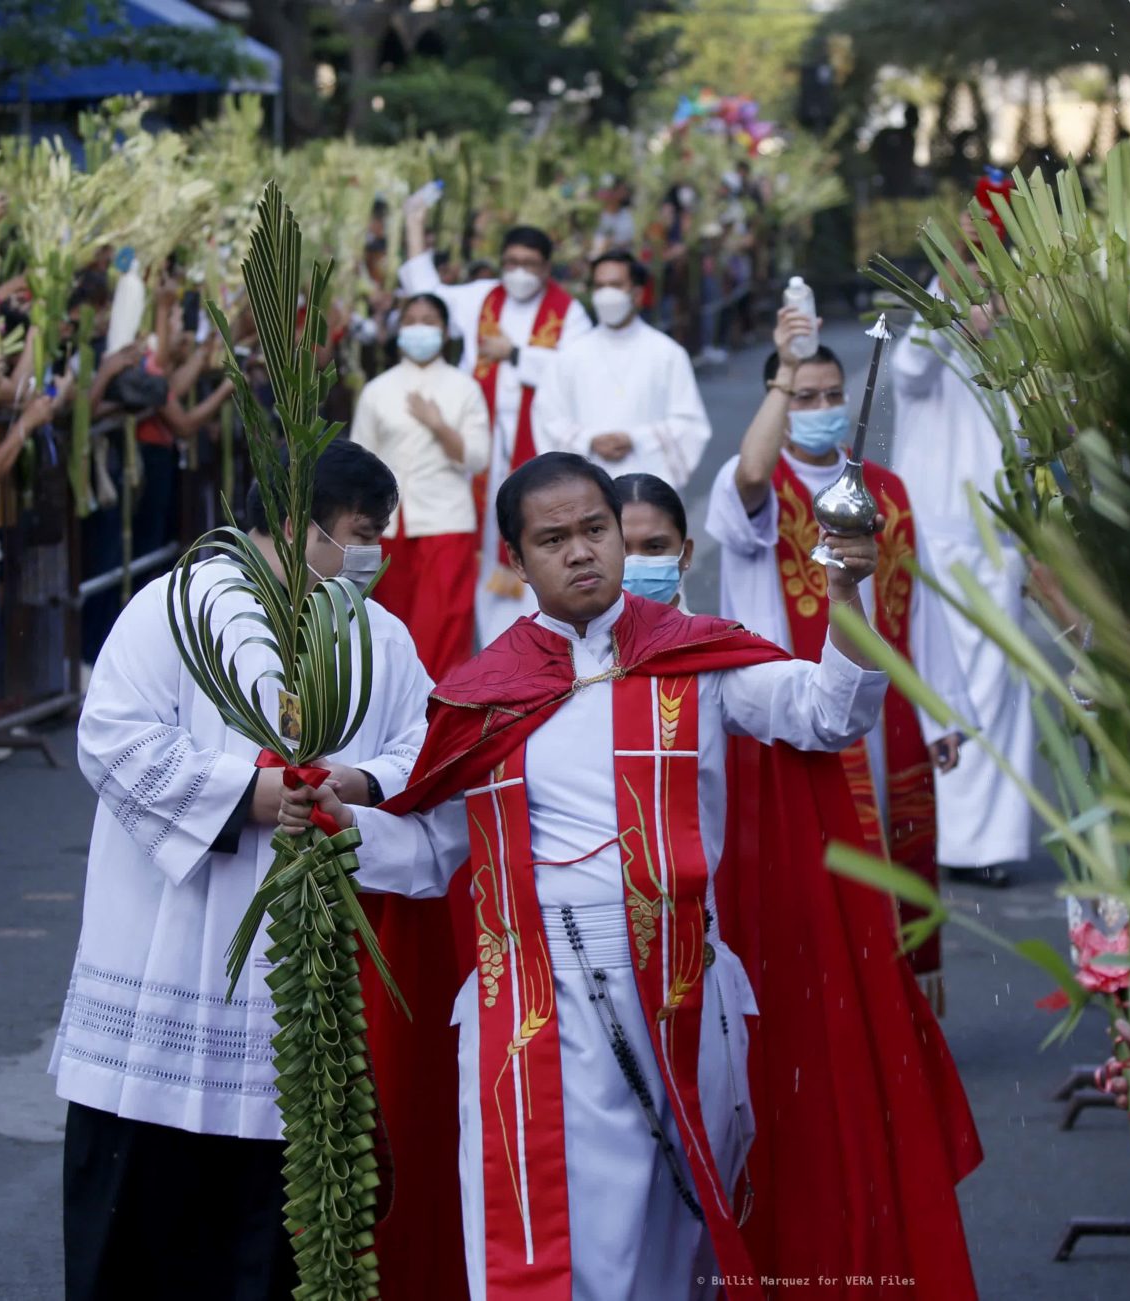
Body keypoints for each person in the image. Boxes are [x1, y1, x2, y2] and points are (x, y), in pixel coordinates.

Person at [286, 452, 981, 1301]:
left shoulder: (700, 660)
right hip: (534, 1014)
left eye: (595, 530)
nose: (580, 552)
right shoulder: (481, 695)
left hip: (686, 1001)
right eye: (553, 539)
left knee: (677, 1257)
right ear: (514, 560)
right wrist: (338, 819)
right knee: (550, 1264)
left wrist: (843, 600)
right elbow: (432, 852)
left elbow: (833, 712)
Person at [53, 441, 433, 1301]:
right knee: (142, 1243)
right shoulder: (176, 606)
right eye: (363, 532)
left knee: (271, 1246)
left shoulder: (379, 635)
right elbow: (112, 739)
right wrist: (253, 795)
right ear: (301, 527)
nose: (373, 553)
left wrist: (356, 785)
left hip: (301, 989)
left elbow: (424, 751)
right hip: (166, 972)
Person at [706, 306, 974, 994]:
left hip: (876, 709)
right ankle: (813, 986)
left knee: (881, 841)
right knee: (808, 858)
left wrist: (939, 710)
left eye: (832, 395)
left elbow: (919, 603)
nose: (822, 408)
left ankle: (889, 993)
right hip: (785, 705)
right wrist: (785, 361)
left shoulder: (884, 491)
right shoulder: (757, 490)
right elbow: (752, 474)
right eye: (804, 396)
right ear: (779, 400)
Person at [889, 173, 1035, 886]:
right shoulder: (929, 319)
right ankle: (938, 832)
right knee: (938, 687)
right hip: (936, 539)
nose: (982, 276)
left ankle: (988, 846)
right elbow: (911, 372)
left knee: (1001, 687)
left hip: (999, 538)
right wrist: (951, 303)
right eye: (970, 260)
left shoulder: (1027, 325)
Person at [400, 198, 593, 644]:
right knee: (488, 543)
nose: (519, 271)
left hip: (540, 437)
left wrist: (517, 355)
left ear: (547, 269)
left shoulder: (570, 312)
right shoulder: (482, 297)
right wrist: (414, 224)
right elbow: (424, 294)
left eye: (530, 264)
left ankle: (547, 634)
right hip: (481, 438)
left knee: (539, 529)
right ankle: (493, 644)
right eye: (512, 262)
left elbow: (580, 370)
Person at [349, 292, 492, 677]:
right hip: (389, 527)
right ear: (398, 330)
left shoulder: (464, 388)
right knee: (391, 629)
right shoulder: (378, 390)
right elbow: (360, 461)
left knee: (445, 627)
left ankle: (442, 721)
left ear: (445, 331)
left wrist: (437, 423)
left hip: (445, 521)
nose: (419, 327)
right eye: (411, 319)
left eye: (429, 320)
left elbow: (477, 458)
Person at [534, 250, 712, 491]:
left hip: (647, 489)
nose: (606, 294)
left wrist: (635, 439)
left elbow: (690, 424)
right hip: (585, 490)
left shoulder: (667, 353)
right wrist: (589, 441)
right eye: (599, 286)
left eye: (615, 285)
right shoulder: (570, 355)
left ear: (637, 294)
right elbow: (548, 417)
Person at [613, 471, 694, 606]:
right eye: (619, 548)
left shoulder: (716, 628)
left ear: (686, 553)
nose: (635, 564)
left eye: (655, 547)